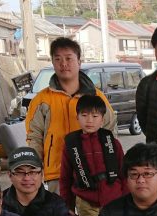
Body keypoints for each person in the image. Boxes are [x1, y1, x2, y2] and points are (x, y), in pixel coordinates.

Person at [25, 37, 117, 193]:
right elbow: (34, 137)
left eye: (69, 58)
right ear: (53, 63)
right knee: (60, 215)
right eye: (58, 59)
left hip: (93, 171)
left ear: (79, 62)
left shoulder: (97, 97)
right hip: (56, 174)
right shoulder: (41, 100)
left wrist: (109, 166)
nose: (64, 64)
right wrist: (35, 170)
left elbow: (110, 133)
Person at [60, 94, 128, 216]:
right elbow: (65, 178)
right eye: (84, 115)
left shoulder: (113, 142)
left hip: (113, 199)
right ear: (77, 117)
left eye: (95, 116)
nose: (89, 120)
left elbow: (124, 174)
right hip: (86, 201)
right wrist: (67, 205)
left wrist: (126, 200)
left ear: (102, 119)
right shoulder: (71, 145)